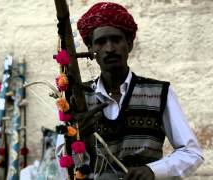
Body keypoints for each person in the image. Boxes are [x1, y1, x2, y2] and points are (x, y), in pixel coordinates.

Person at [57, 2, 204, 180]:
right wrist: (77, 137)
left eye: (116, 40)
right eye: (101, 42)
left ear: (129, 44)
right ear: (91, 49)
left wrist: (153, 170)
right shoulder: (76, 97)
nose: (110, 49)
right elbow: (63, 164)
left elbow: (191, 152)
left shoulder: (158, 93)